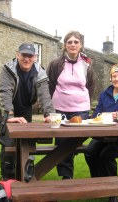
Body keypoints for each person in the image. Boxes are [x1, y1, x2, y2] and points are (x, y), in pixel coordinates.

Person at [0, 43, 55, 180]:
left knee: (27, 144)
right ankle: (7, 180)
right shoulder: (7, 69)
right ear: (18, 55)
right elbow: (4, 92)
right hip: (8, 111)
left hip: (25, 110)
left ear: (35, 57)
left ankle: (25, 176)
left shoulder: (39, 72)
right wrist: (9, 116)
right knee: (8, 145)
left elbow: (45, 95)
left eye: (30, 56)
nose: (26, 59)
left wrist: (50, 115)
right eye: (24, 55)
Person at [84, 64, 118, 202]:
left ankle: (114, 194)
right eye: (114, 76)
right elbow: (96, 114)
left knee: (105, 155)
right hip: (104, 134)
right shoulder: (104, 94)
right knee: (89, 152)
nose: (117, 79)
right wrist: (106, 116)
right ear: (111, 78)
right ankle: (99, 185)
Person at [47, 31, 95, 179]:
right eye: (70, 42)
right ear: (65, 45)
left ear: (80, 45)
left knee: (73, 143)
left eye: (76, 42)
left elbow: (90, 87)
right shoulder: (56, 64)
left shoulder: (87, 65)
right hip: (60, 109)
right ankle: (66, 177)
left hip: (81, 110)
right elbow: (49, 85)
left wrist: (82, 101)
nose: (73, 44)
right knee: (61, 143)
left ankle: (68, 165)